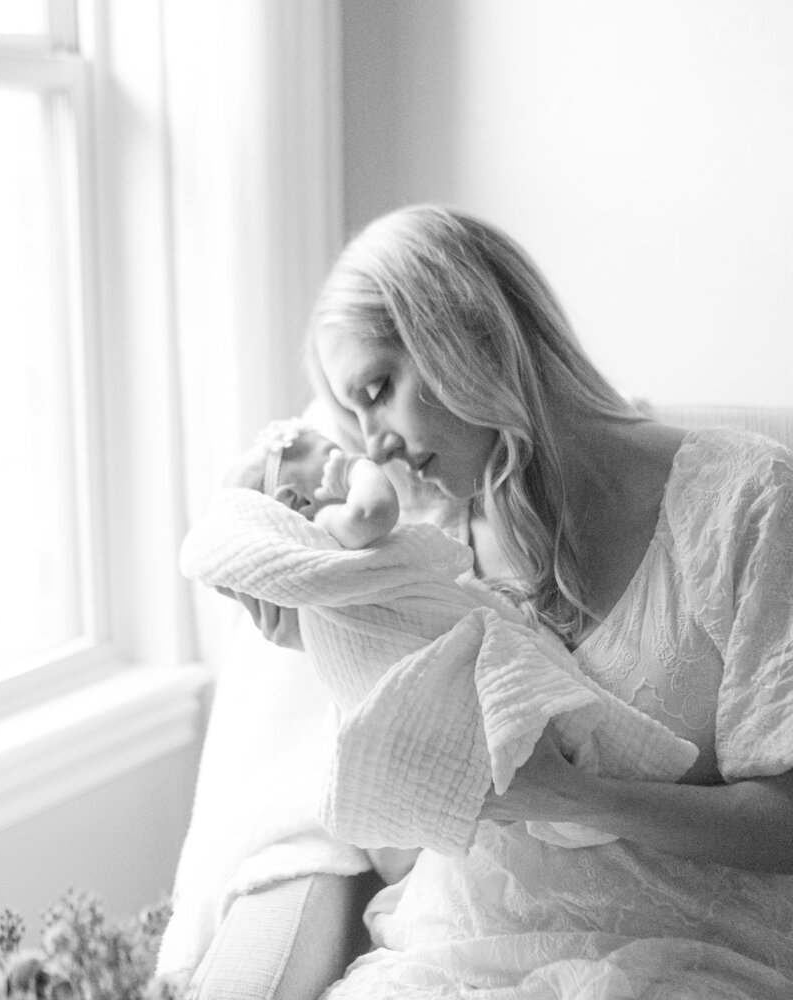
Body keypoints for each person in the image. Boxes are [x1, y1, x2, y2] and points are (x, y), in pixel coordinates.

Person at [219, 205, 793, 998]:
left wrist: (584, 798)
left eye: (379, 389)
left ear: (465, 329)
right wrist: (341, 653)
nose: (374, 440)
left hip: (694, 951)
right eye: (357, 413)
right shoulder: (426, 555)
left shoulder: (745, 499)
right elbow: (402, 857)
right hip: (457, 950)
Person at [181, 415, 698, 856]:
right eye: (331, 454)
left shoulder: (331, 586)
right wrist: (356, 471)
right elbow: (373, 514)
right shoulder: (336, 528)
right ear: (297, 501)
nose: (366, 448)